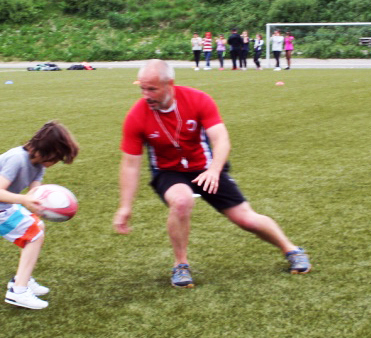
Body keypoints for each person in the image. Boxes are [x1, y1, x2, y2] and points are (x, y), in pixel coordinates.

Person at [112, 59, 312, 288]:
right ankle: (181, 265)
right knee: (181, 200)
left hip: (207, 167)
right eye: (142, 88)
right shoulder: (137, 116)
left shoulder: (197, 100)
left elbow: (221, 139)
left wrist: (214, 170)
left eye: (152, 89)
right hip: (169, 172)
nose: (146, 95)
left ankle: (291, 250)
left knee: (246, 218)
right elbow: (130, 164)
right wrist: (125, 207)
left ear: (170, 84)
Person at [0, 121, 79, 309]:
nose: (55, 163)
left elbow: (34, 194)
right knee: (34, 235)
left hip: (4, 204)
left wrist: (42, 205)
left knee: (37, 227)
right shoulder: (17, 159)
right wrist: (24, 200)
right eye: (57, 158)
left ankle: (22, 279)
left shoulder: (39, 165)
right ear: (48, 151)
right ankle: (18, 292)